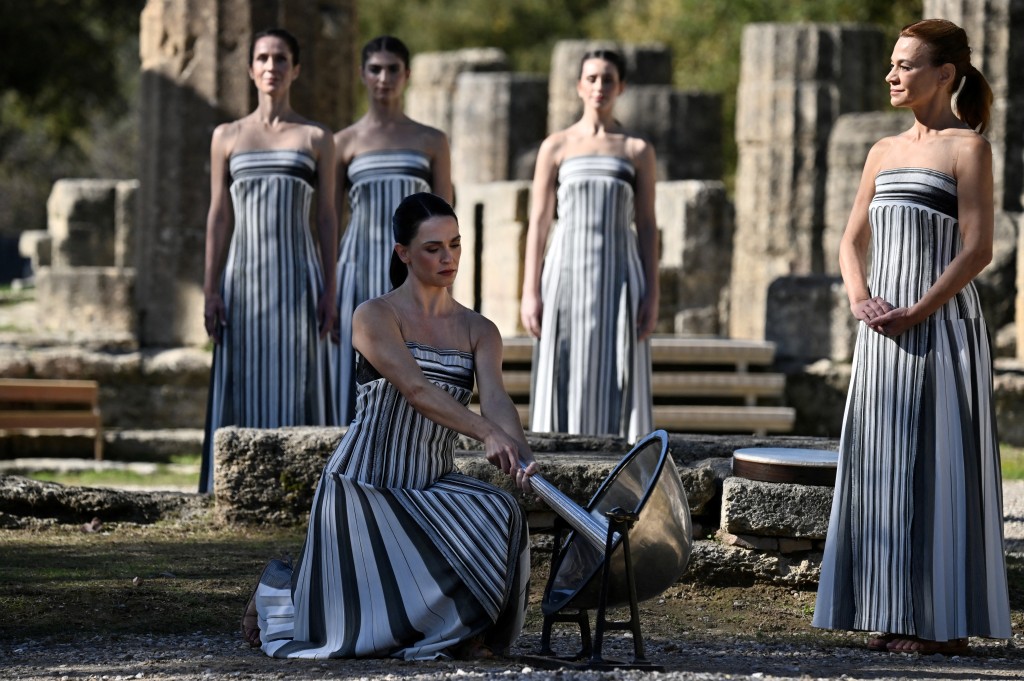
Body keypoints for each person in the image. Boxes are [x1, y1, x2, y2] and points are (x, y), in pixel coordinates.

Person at [240, 192, 538, 660]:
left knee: (500, 511)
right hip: (362, 486)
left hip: (430, 482)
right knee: (351, 633)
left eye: (455, 245)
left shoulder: (480, 329)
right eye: (433, 247)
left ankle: (466, 634)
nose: (448, 257)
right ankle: (278, 590)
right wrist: (484, 433)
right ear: (403, 253)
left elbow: (497, 401)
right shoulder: (374, 315)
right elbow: (417, 391)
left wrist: (520, 454)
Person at [813, 19, 1011, 655]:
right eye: (891, 64)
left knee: (940, 466)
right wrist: (860, 298)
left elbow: (978, 249)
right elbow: (850, 241)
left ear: (945, 75)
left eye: (906, 65)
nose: (892, 75)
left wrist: (919, 310)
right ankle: (888, 609)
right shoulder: (881, 150)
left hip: (943, 329)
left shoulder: (968, 149)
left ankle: (940, 620)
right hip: (881, 334)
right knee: (883, 467)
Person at [199, 28, 337, 493]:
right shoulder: (227, 136)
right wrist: (211, 289)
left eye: (281, 59)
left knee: (298, 377)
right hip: (241, 280)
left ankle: (302, 489)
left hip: (299, 277)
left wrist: (331, 288)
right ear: (251, 68)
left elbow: (327, 217)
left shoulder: (317, 138)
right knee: (241, 375)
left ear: (295, 69)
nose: (271, 67)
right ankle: (235, 488)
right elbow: (219, 215)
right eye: (263, 58)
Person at [520, 48, 657, 442]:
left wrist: (653, 293)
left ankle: (620, 466)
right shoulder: (556, 146)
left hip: (621, 274)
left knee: (619, 368)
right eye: (592, 78)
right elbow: (540, 223)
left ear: (621, 87)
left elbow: (647, 224)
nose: (600, 86)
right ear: (580, 86)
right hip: (564, 271)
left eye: (608, 79)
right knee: (561, 362)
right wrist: (530, 291)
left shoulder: (636, 150)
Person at [332, 36, 453, 425]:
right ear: (362, 75)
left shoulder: (432, 140)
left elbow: (445, 217)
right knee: (356, 370)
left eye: (392, 69)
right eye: (375, 69)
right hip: (358, 265)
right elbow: (331, 219)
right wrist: (328, 284)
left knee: (416, 366)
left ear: (407, 75)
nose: (384, 78)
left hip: (412, 272)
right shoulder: (343, 142)